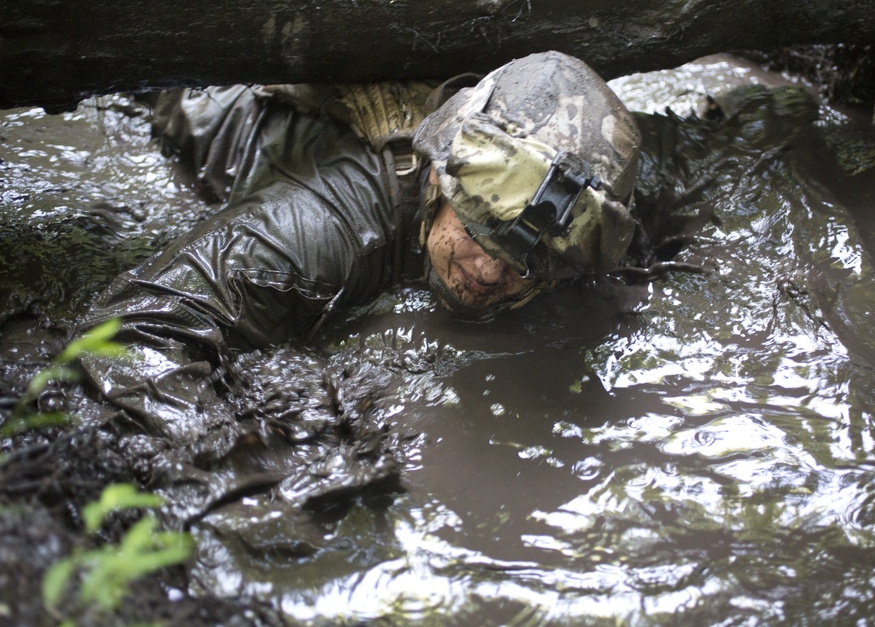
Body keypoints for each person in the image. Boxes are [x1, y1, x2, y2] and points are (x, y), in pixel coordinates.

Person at [78, 51, 642, 441]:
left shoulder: (592, 199)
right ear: (435, 182)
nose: (490, 272)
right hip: (204, 98)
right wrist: (244, 454)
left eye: (531, 262)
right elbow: (132, 333)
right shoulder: (330, 227)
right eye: (477, 230)